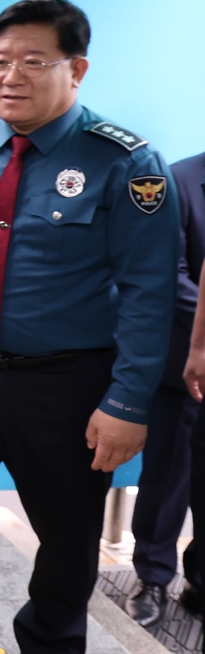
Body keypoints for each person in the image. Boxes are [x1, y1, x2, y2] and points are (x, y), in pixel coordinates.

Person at [0, 0, 179, 654]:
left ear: (76, 68)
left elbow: (150, 294)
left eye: (33, 61)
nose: (10, 77)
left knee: (66, 534)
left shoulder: (126, 163)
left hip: (66, 385)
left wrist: (125, 403)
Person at [125, 149, 205, 628]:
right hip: (182, 364)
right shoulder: (179, 178)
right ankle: (152, 576)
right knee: (166, 476)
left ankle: (200, 580)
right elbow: (167, 271)